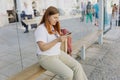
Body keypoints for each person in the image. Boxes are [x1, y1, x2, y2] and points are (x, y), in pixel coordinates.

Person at [34, 6, 88, 80]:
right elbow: (42, 47)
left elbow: (55, 40)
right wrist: (57, 40)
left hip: (57, 53)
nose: (57, 20)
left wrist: (63, 37)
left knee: (77, 66)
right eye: (55, 17)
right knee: (68, 74)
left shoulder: (52, 27)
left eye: (58, 17)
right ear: (48, 17)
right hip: (46, 57)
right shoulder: (41, 29)